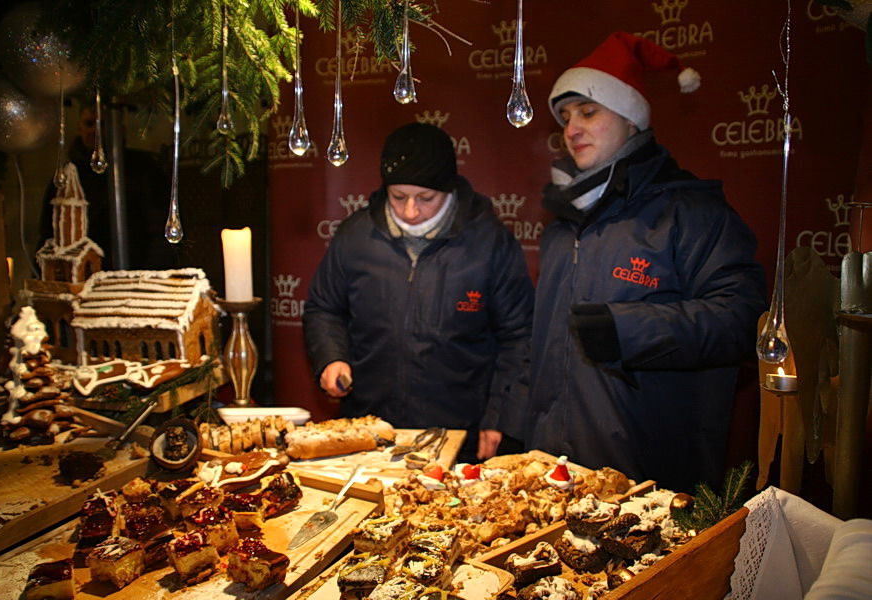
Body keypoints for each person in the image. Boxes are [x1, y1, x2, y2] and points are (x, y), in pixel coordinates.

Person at [526, 32, 767, 493]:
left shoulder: (690, 212)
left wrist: (628, 330)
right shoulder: (560, 226)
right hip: (553, 475)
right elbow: (537, 355)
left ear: (631, 118)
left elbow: (744, 320)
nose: (571, 127)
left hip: (649, 480)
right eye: (565, 116)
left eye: (588, 111)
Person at [303, 122, 534, 462]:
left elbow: (519, 337)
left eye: (426, 198)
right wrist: (331, 357)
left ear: (449, 189)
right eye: (399, 197)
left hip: (459, 433)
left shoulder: (490, 242)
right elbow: (324, 309)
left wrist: (501, 416)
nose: (411, 211)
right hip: (370, 428)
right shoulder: (355, 236)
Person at [38, 103, 175, 270]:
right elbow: (48, 233)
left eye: (102, 124)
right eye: (90, 124)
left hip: (136, 272)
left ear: (119, 128)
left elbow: (160, 227)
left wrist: (151, 273)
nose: (95, 132)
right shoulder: (65, 177)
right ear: (79, 128)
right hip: (83, 275)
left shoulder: (143, 169)